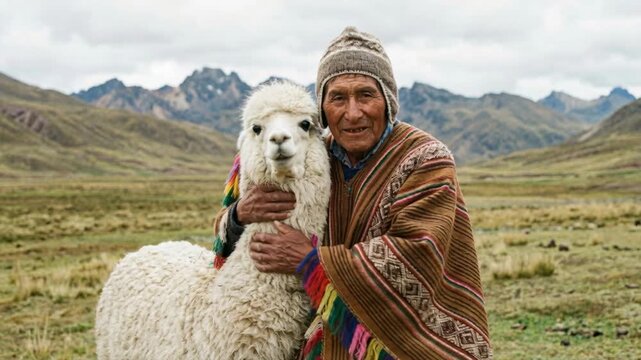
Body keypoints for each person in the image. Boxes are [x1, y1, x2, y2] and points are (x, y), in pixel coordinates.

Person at [213, 26, 492, 360]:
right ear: (323, 110)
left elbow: (418, 253)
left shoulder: (426, 159)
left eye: (365, 95)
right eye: (338, 98)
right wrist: (240, 214)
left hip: (409, 339)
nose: (353, 112)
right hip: (323, 332)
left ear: (388, 101)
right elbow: (231, 231)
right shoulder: (315, 156)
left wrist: (310, 261)